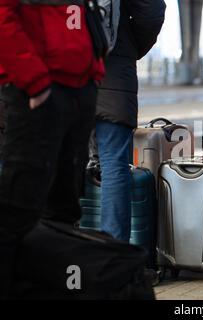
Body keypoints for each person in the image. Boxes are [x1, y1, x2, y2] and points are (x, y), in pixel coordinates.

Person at [0, 0, 105, 298]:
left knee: (65, 204)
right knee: (19, 205)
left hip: (77, 87)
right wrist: (34, 81)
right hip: (38, 91)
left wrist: (92, 73)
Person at [92, 0, 166, 242]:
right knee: (113, 164)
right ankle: (113, 257)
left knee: (59, 162)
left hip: (57, 68)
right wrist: (129, 47)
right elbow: (151, 12)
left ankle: (64, 253)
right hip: (114, 68)